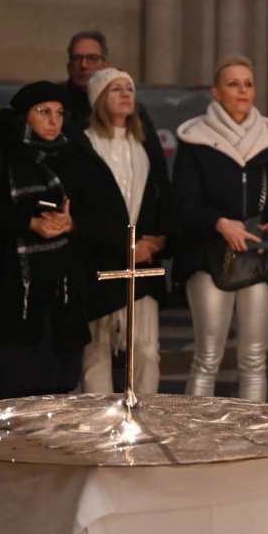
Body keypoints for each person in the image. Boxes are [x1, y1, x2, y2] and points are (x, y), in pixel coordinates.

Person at [0, 82, 106, 399]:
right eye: (44, 112)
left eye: (59, 113)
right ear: (25, 117)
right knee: (7, 389)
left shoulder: (74, 156)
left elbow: (102, 215)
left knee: (56, 391)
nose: (54, 121)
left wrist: (72, 223)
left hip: (61, 294)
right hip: (10, 292)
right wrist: (28, 222)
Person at [172, 56, 268, 401]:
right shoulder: (195, 138)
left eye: (248, 83)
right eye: (233, 83)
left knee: (254, 358)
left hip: (259, 254)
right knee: (207, 356)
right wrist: (219, 223)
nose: (242, 90)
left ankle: (250, 447)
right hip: (208, 255)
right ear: (215, 92)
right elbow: (183, 202)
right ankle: (197, 443)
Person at [79, 68, 171, 395]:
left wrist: (158, 237)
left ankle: (144, 423)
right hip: (101, 260)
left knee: (145, 351)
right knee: (97, 350)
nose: (125, 94)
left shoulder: (142, 145)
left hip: (143, 262)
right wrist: (125, 245)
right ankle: (97, 432)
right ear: (100, 98)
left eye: (129, 88)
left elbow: (159, 194)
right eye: (116, 89)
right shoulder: (85, 146)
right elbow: (85, 209)